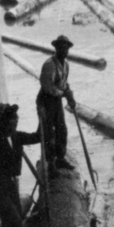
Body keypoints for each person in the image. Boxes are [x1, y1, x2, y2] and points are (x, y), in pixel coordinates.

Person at [37, 35, 76, 174]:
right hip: (46, 100)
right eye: (61, 48)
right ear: (56, 49)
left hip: (56, 100)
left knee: (62, 129)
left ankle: (60, 158)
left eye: (66, 48)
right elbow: (48, 87)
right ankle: (50, 164)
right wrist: (63, 94)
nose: (64, 51)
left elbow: (63, 84)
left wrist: (70, 96)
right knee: (48, 133)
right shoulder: (49, 65)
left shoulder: (66, 65)